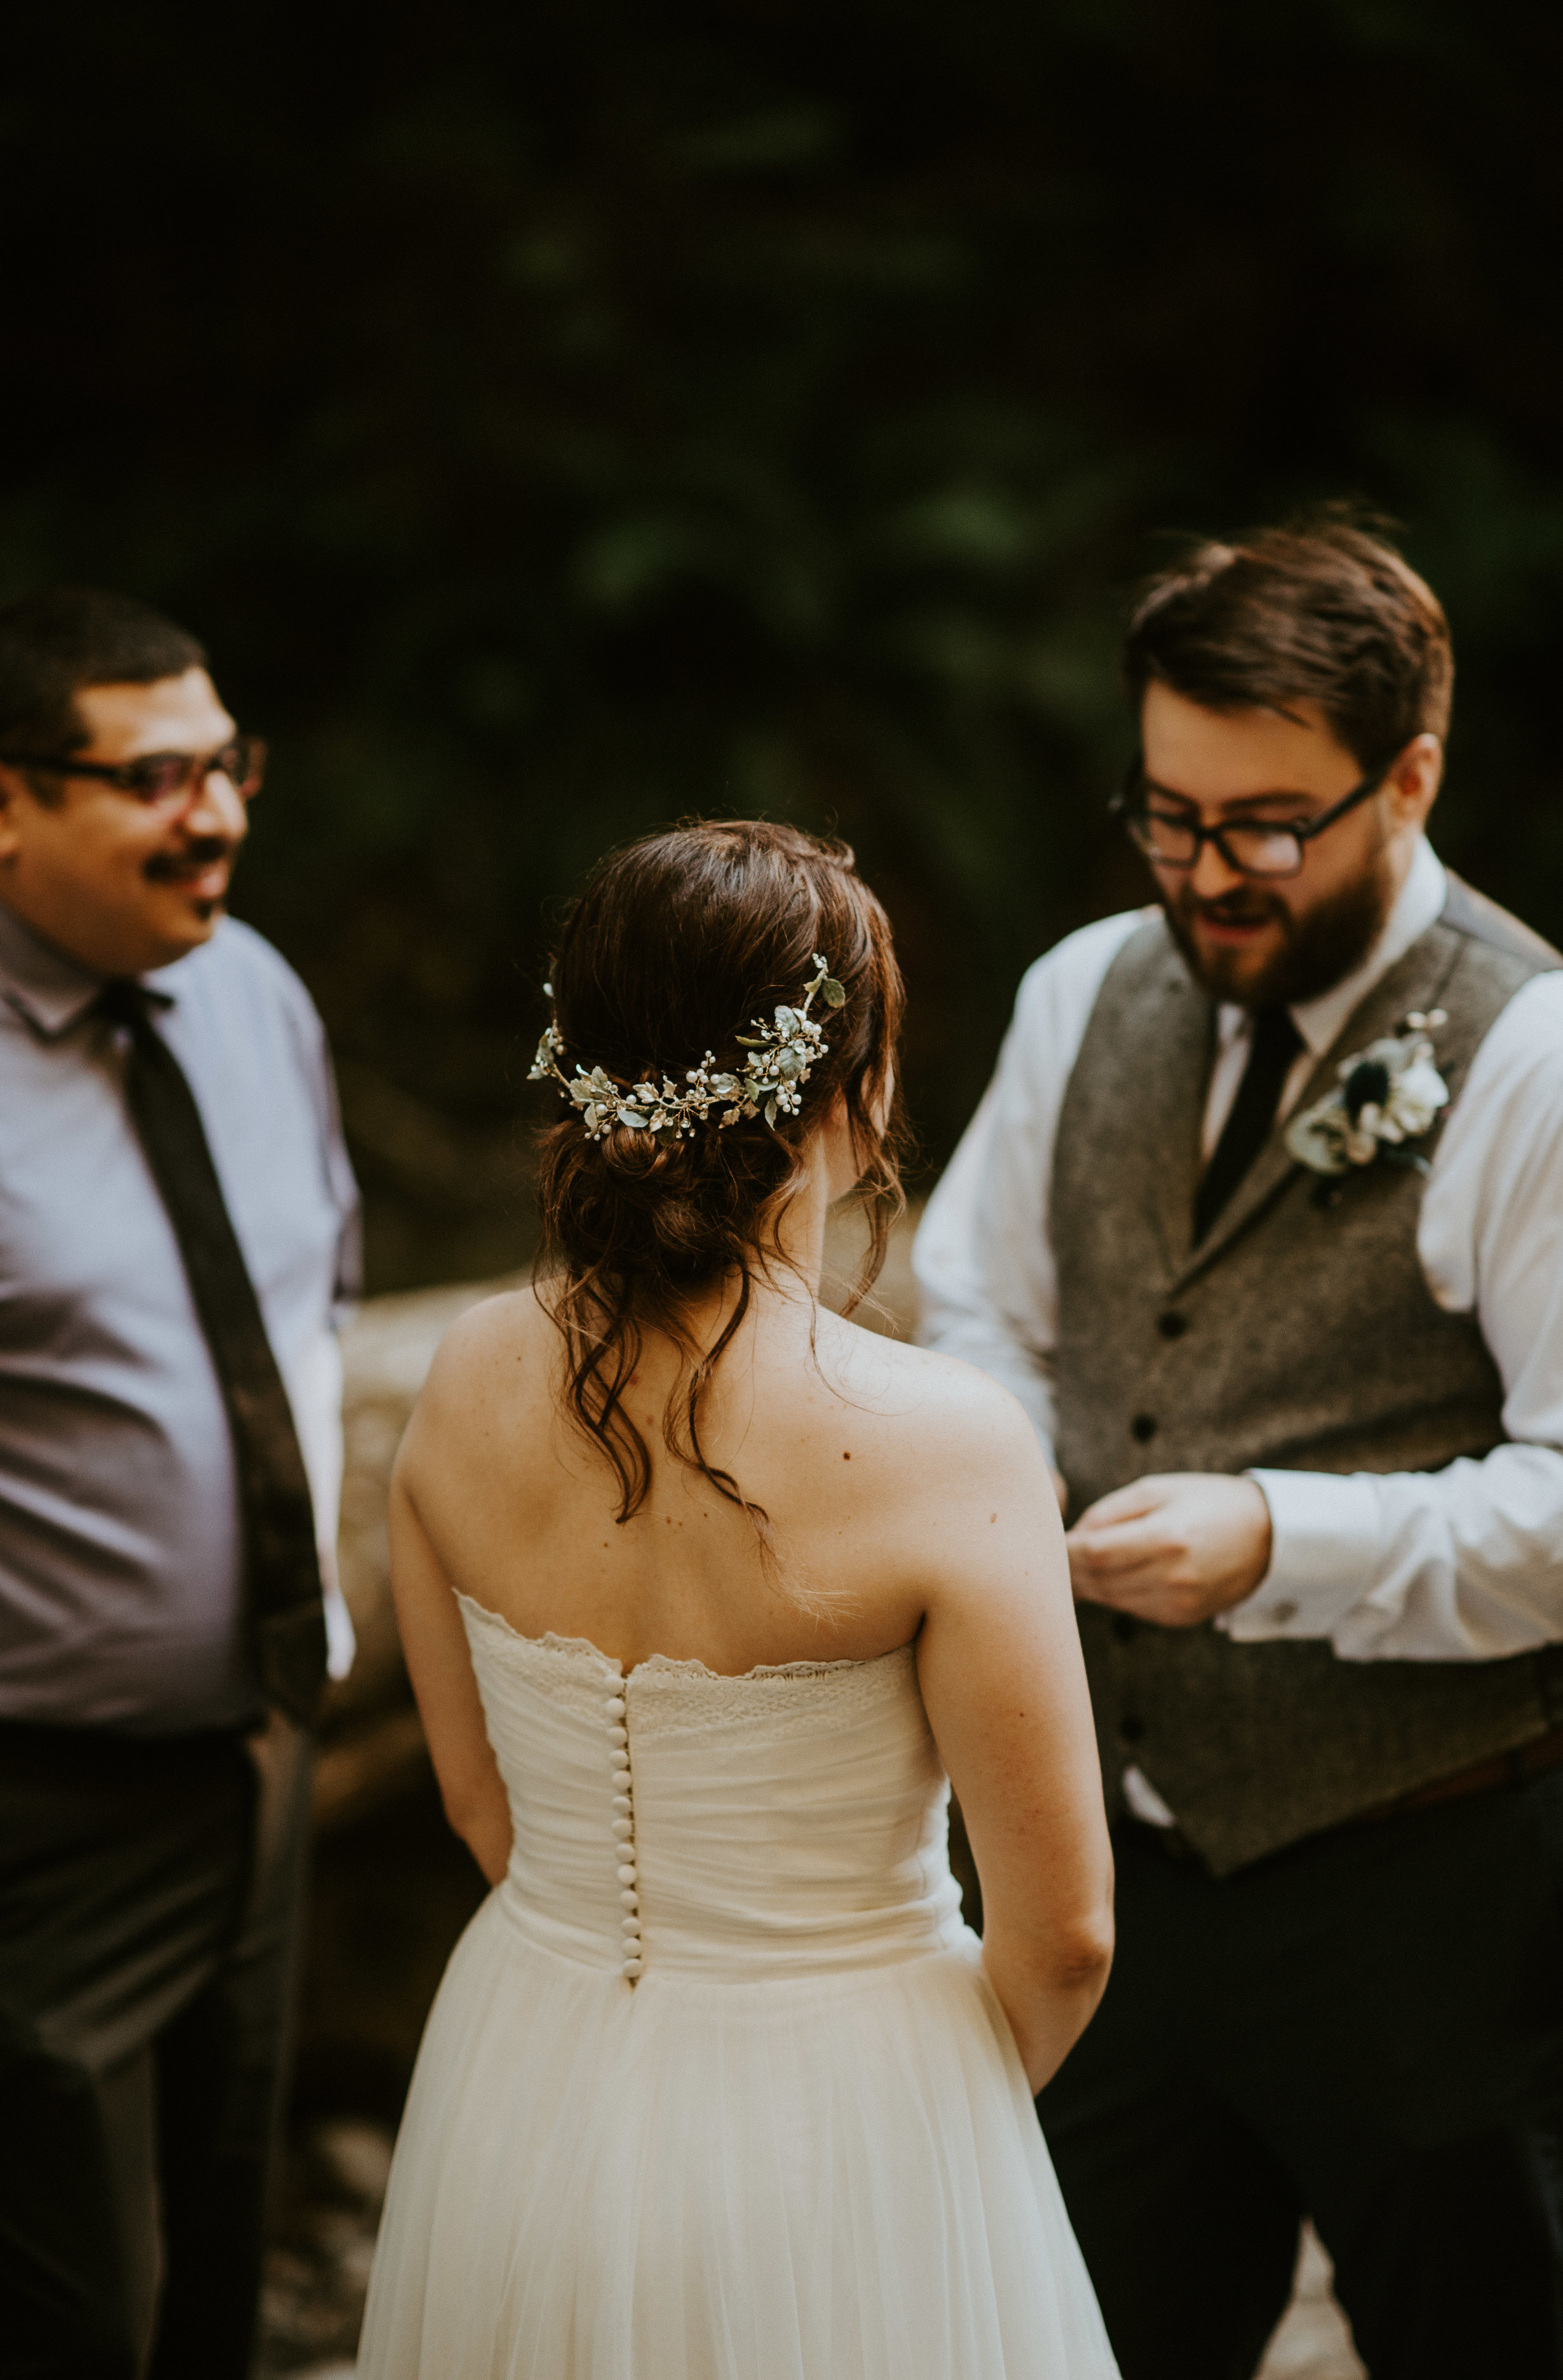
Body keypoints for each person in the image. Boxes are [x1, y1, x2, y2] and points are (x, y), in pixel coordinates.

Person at [914, 514, 1563, 2379]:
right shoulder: (1081, 991)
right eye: (1168, 813)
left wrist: (1284, 1540)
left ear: (1410, 777)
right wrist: (1014, 1474)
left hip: (1427, 1899)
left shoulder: (1525, 1058)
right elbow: (974, 1310)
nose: (1208, 873)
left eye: (1267, 824)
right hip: (1107, 1882)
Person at [355, 819, 1119, 2379]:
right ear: (852, 1094)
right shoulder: (947, 1444)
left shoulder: (457, 1382)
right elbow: (1064, 1942)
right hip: (848, 2105)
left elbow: (476, 1800)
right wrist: (928, 2118)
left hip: (523, 2075)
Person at [0, 587, 360, 2379]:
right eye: (153, 778)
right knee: (71, 2320)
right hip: (25, 1817)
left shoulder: (251, 993)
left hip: (261, 1768)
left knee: (217, 2297)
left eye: (228, 766)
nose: (216, 815)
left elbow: (316, 1298)